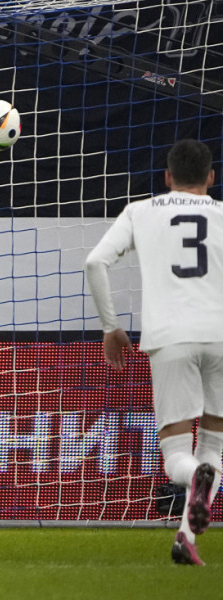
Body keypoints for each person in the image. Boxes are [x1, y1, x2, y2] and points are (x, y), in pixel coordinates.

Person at [85, 139, 223, 566]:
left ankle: (189, 488)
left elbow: (94, 262)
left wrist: (111, 327)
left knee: (176, 455)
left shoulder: (141, 211)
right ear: (211, 178)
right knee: (215, 445)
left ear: (167, 177)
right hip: (220, 335)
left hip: (170, 337)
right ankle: (186, 537)